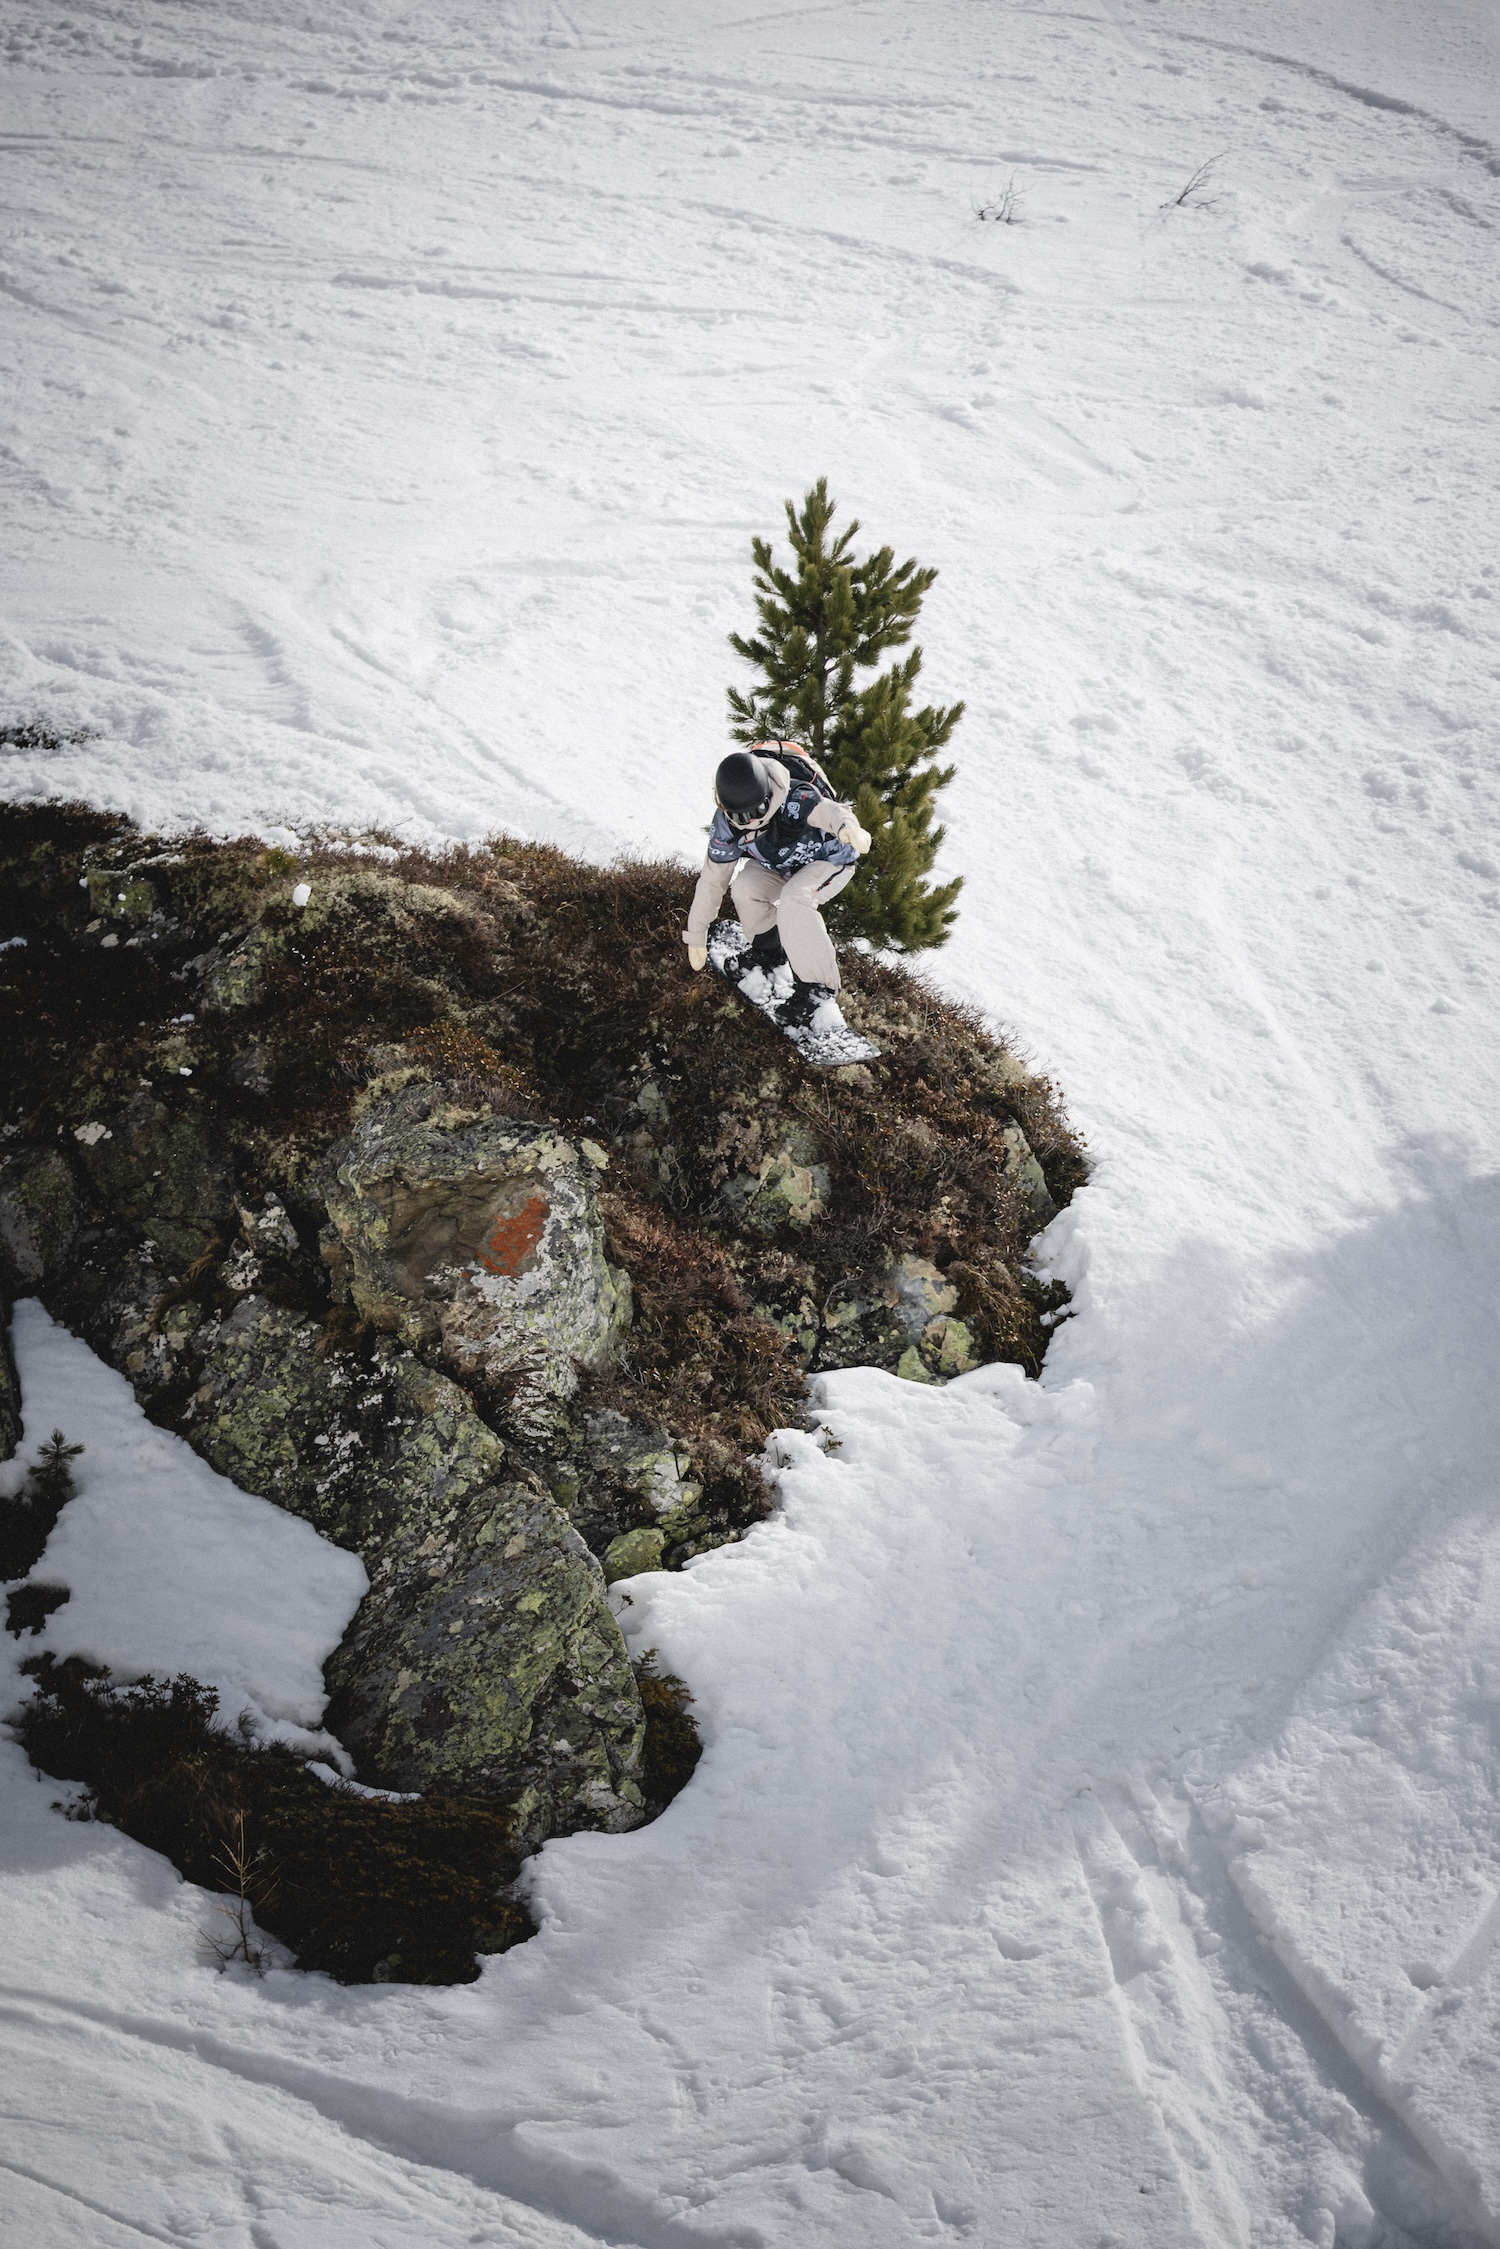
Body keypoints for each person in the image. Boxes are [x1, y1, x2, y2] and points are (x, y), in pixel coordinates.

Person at [683, 743, 871, 1025]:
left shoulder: (795, 798)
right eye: (739, 816)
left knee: (795, 900)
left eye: (757, 810)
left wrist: (848, 828)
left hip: (827, 859)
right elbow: (712, 881)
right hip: (780, 863)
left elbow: (830, 812)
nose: (749, 822)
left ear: (768, 795)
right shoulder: (726, 825)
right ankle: (768, 952)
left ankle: (818, 989)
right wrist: (696, 936)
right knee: (745, 888)